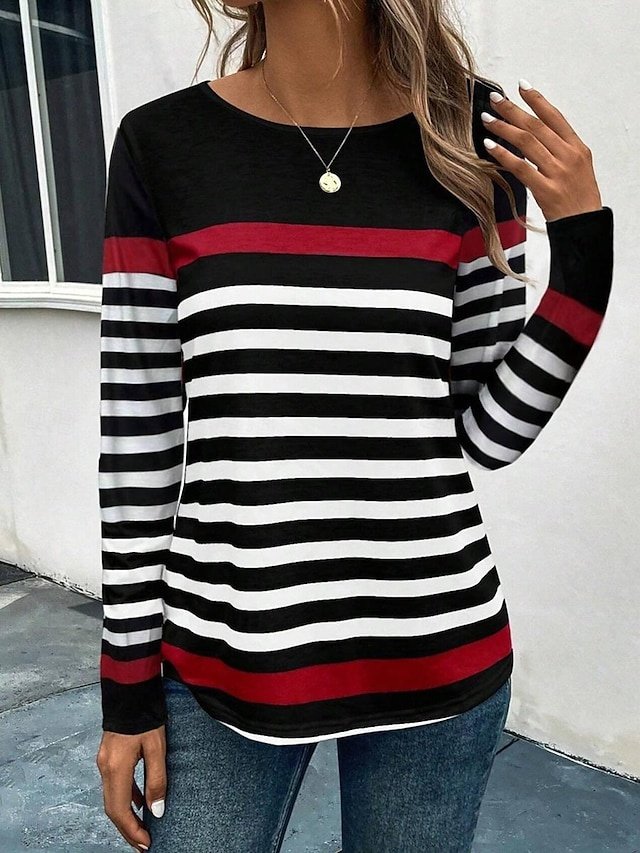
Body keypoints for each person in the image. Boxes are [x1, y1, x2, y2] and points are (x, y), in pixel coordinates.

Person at [95, 1, 614, 850]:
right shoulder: (164, 145)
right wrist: (126, 689)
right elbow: (138, 441)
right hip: (226, 657)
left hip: (436, 654)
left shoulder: (468, 141)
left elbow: (491, 433)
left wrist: (585, 259)